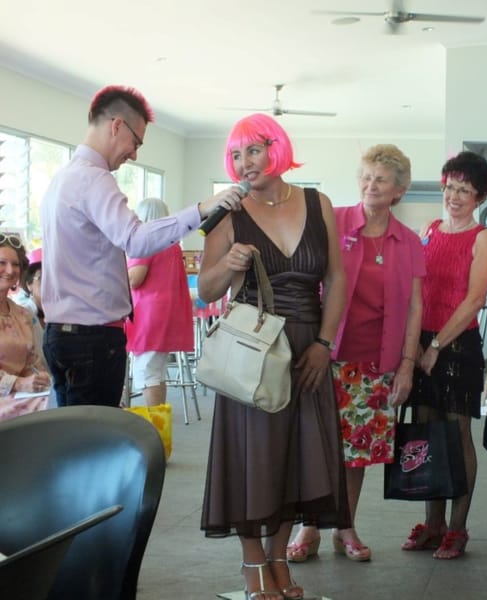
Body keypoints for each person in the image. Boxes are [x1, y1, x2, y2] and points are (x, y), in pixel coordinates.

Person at [199, 113, 348, 600]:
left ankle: (280, 557)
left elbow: (338, 278)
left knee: (297, 459)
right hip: (255, 349)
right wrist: (229, 262)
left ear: (278, 149)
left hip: (308, 346)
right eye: (236, 155)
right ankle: (252, 563)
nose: (245, 163)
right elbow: (206, 289)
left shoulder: (316, 202)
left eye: (254, 150)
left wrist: (325, 344)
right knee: (253, 456)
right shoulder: (228, 212)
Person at [39, 85, 246, 409]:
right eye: (135, 142)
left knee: (73, 442)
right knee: (94, 445)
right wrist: (203, 208)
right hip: (92, 339)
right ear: (117, 125)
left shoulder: (61, 180)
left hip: (59, 336)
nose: (134, 154)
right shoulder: (94, 179)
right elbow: (136, 239)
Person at [287, 144, 424, 563]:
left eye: (381, 179)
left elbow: (416, 306)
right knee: (315, 445)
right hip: (324, 354)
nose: (371, 185)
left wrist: (406, 365)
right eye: (366, 176)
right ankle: (309, 525)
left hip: (374, 363)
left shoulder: (409, 241)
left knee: (357, 451)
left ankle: (345, 525)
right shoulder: (335, 220)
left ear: (398, 191)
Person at [400, 151, 487, 560]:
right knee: (426, 432)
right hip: (422, 341)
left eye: (465, 190)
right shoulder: (429, 229)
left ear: (479, 197)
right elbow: (417, 289)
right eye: (450, 187)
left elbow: (475, 299)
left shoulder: (483, 237)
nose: (454, 196)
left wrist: (437, 346)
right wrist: (416, 347)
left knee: (457, 437)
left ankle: (457, 528)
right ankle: (432, 522)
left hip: (456, 347)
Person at [125, 198, 194, 407]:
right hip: (168, 313)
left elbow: (134, 278)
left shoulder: (147, 240)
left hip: (149, 315)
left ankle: (154, 426)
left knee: (147, 372)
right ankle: (159, 424)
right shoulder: (172, 243)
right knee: (157, 370)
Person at [0, 233, 51, 418]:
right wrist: (19, 383)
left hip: (22, 397)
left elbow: (33, 362)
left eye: (15, 264)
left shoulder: (22, 314)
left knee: (66, 400)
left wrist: (40, 378)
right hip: (9, 399)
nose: (10, 270)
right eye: (2, 263)